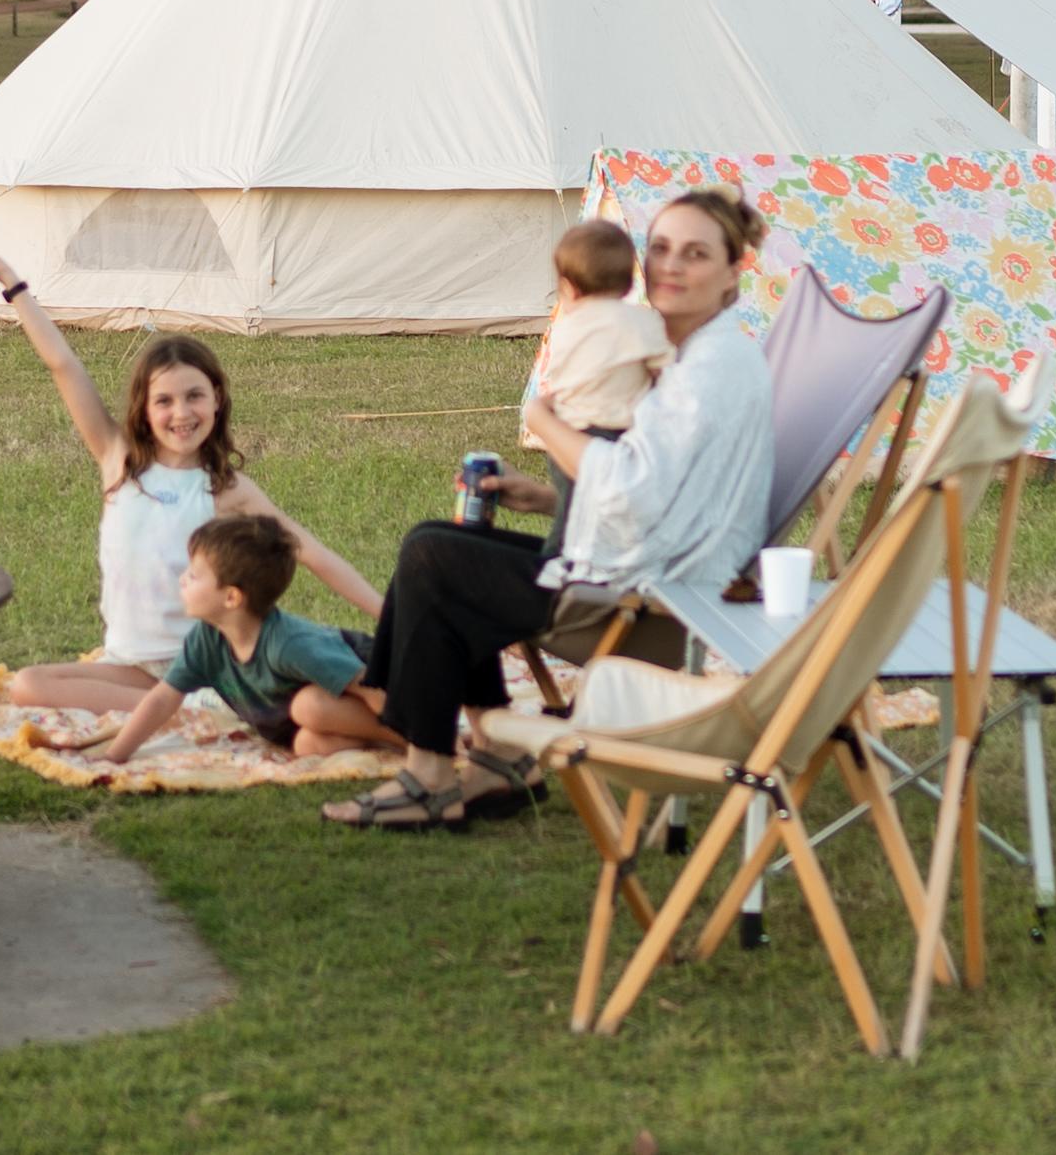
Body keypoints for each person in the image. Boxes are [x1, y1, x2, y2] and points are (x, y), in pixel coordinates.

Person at [323, 191, 775, 833]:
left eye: (695, 253)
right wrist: (541, 496)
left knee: (436, 559)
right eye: (662, 249)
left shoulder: (709, 370)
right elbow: (664, 485)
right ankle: (496, 756)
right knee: (440, 541)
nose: (670, 265)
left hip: (648, 598)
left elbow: (632, 490)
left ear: (734, 270)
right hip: (638, 561)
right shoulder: (694, 351)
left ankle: (430, 776)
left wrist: (539, 417)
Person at [0, 248, 379, 712]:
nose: (182, 413)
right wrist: (9, 279)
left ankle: (194, 699)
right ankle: (186, 707)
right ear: (145, 409)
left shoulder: (225, 489)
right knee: (28, 685)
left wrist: (389, 617)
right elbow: (63, 364)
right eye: (164, 401)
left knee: (45, 689)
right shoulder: (117, 459)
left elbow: (314, 554)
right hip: (127, 663)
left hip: (199, 660)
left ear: (217, 399)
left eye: (194, 396)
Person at [78, 514, 397, 763]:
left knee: (308, 706)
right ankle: (375, 738)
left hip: (377, 685)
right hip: (303, 723)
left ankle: (408, 740)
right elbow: (163, 699)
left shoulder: (289, 644)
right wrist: (114, 755)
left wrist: (423, 736)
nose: (182, 579)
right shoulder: (207, 640)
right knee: (309, 745)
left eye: (194, 575)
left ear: (231, 598)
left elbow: (369, 685)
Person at [521, 217, 666, 447]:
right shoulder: (642, 321)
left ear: (568, 289)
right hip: (621, 436)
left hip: (567, 436)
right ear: (630, 285)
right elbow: (668, 372)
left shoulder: (563, 330)